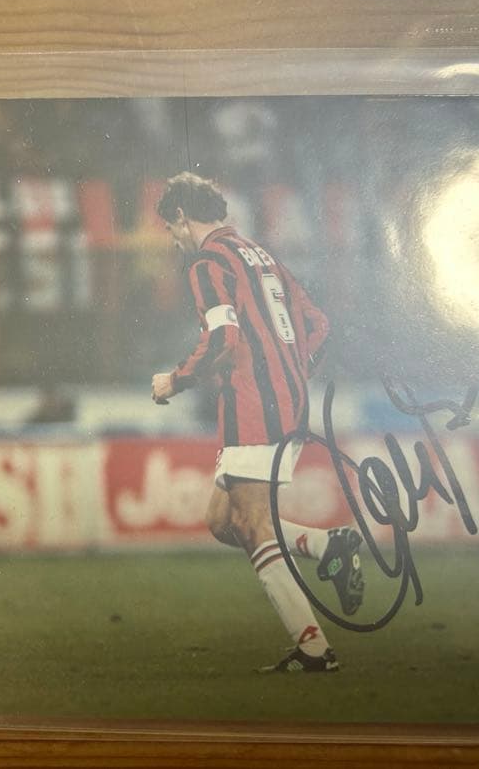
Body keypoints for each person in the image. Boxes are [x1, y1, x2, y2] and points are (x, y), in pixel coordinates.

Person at [151, 172, 363, 673]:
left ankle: (314, 649)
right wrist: (290, 372)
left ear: (181, 215)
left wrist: (174, 381)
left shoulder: (207, 262)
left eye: (171, 228)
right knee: (223, 521)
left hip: (253, 404)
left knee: (250, 524)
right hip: (286, 400)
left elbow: (222, 340)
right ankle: (328, 544)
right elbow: (319, 325)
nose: (173, 239)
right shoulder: (261, 255)